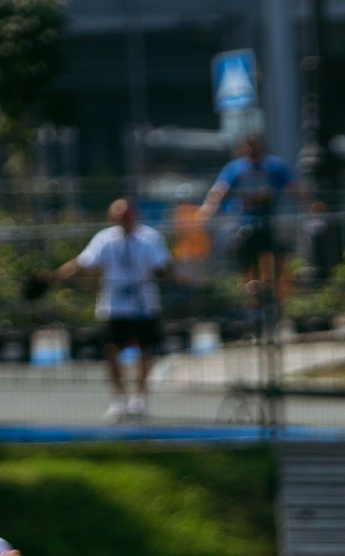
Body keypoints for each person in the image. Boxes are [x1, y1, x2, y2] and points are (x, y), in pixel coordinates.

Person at [48, 199, 173, 420]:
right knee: (111, 351)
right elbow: (84, 263)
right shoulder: (105, 238)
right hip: (114, 304)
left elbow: (165, 266)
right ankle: (119, 399)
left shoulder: (151, 237)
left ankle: (138, 398)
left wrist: (183, 280)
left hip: (143, 303)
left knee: (146, 350)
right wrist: (56, 275)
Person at [200, 134, 293, 307]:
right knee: (245, 257)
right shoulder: (235, 168)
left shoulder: (274, 165)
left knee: (272, 258)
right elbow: (220, 189)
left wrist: (311, 202)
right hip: (244, 223)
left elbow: (293, 186)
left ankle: (272, 291)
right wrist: (209, 207)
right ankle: (253, 293)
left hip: (270, 223)